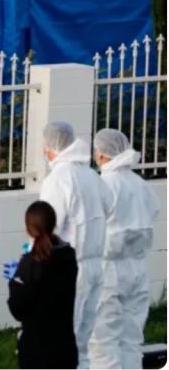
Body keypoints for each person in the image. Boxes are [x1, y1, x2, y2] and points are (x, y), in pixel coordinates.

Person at [39, 121, 114, 369]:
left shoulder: (57, 180)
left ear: (50, 146)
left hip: (68, 269)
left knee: (60, 338)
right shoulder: (92, 176)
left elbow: (47, 228)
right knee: (81, 341)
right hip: (94, 267)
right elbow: (109, 207)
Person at [89, 129, 160, 369]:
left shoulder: (102, 185)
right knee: (131, 340)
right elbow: (152, 213)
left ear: (100, 154)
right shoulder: (139, 184)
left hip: (108, 269)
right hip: (137, 269)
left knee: (103, 343)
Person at [5, 201, 79, 369]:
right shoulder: (68, 256)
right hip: (65, 349)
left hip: (37, 352)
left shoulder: (30, 263)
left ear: (26, 227)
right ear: (53, 224)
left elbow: (18, 309)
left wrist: (14, 281)